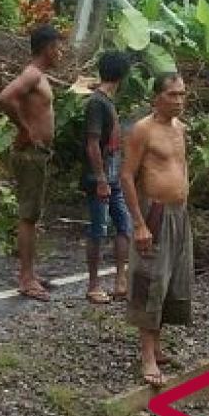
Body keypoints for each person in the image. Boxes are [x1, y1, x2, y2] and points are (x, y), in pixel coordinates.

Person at [120, 73, 193, 387]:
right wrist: (139, 223)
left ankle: (158, 346)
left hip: (179, 213)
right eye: (172, 94)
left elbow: (182, 166)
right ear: (157, 97)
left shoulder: (181, 129)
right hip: (155, 213)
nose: (178, 100)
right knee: (150, 280)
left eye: (182, 94)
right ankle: (147, 356)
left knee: (171, 280)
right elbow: (126, 176)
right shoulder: (142, 130)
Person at [0, 24, 64, 302]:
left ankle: (31, 274)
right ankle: (26, 279)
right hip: (30, 153)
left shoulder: (40, 76)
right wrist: (24, 129)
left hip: (38, 154)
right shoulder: (32, 74)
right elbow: (5, 97)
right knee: (28, 217)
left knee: (32, 215)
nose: (61, 52)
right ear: (48, 48)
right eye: (58, 47)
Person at [81, 51, 133, 304]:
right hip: (100, 177)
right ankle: (93, 285)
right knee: (98, 230)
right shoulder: (98, 104)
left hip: (113, 176)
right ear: (122, 76)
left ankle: (120, 280)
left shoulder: (104, 100)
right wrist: (101, 179)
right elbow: (92, 143)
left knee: (125, 225)